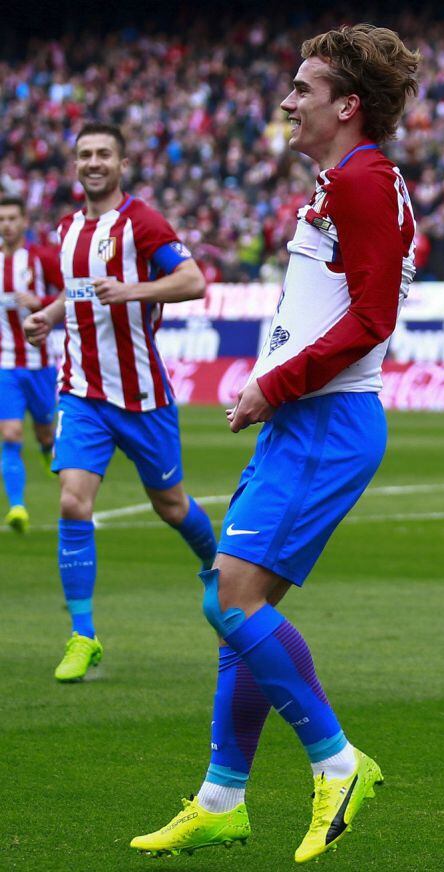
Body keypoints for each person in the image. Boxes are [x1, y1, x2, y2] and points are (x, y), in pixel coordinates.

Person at [130, 24, 420, 864]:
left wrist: (273, 383)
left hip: (324, 422)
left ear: (346, 105)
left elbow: (373, 320)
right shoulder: (357, 182)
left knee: (229, 600)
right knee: (238, 609)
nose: (287, 102)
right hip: (312, 422)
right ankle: (222, 801)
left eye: (303, 89)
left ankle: (339, 764)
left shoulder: (363, 184)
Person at [24, 122, 217, 682]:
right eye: (84, 154)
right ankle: (83, 635)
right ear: (75, 163)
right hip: (81, 392)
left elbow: (193, 280)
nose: (93, 162)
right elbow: (76, 290)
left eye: (103, 153)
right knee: (71, 502)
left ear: (120, 163)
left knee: (172, 505)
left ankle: (216, 568)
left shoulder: (143, 222)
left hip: (141, 398)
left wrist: (133, 290)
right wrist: (49, 315)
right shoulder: (66, 230)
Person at [0, 196, 63, 533]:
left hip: (40, 364)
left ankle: (48, 453)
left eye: (12, 218)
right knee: (9, 434)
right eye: (1, 219)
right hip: (5, 365)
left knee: (44, 432)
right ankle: (18, 508)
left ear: (23, 221)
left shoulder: (41, 258)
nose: (6, 224)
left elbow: (71, 293)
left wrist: (43, 302)